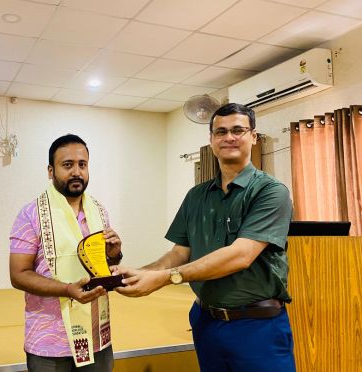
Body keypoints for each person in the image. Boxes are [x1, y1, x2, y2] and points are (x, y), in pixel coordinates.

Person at [112, 103, 296, 371]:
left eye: (238, 130)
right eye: (220, 132)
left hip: (257, 326)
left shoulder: (270, 192)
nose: (229, 137)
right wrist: (141, 273)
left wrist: (166, 278)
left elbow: (241, 255)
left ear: (253, 137)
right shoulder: (196, 196)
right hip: (205, 321)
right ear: (211, 140)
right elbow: (179, 252)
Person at [9, 134, 123, 371]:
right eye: (67, 165)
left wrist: (114, 255)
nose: (76, 172)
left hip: (96, 336)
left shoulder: (99, 211)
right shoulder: (30, 214)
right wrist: (67, 290)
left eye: (82, 165)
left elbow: (102, 267)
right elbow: (18, 274)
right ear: (51, 171)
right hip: (49, 340)